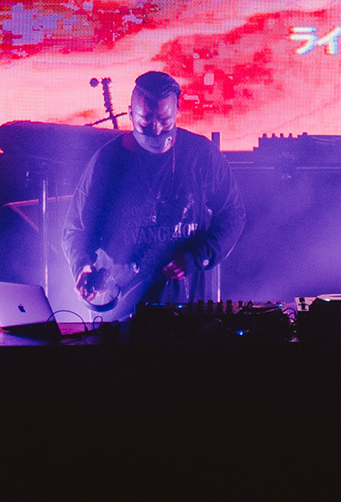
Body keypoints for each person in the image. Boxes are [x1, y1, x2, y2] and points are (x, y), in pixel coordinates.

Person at [62, 70, 244, 319]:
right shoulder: (108, 160)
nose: (156, 130)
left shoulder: (202, 155)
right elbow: (76, 228)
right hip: (123, 307)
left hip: (191, 308)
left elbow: (232, 215)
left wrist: (196, 258)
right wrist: (82, 266)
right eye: (145, 120)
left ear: (177, 111)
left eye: (165, 120)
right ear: (130, 113)